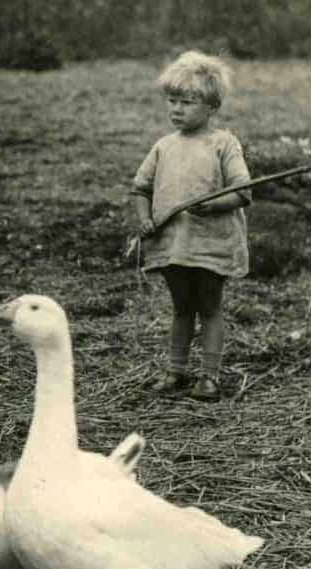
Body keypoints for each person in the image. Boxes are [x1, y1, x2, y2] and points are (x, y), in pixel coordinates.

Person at [131, 50, 251, 402]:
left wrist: (215, 204)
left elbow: (243, 192)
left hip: (211, 243)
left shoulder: (223, 144)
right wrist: (144, 218)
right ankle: (175, 371)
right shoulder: (163, 147)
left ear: (212, 106)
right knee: (182, 306)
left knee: (210, 305)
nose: (176, 109)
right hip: (173, 244)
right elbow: (141, 188)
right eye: (172, 101)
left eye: (187, 101)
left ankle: (209, 377)